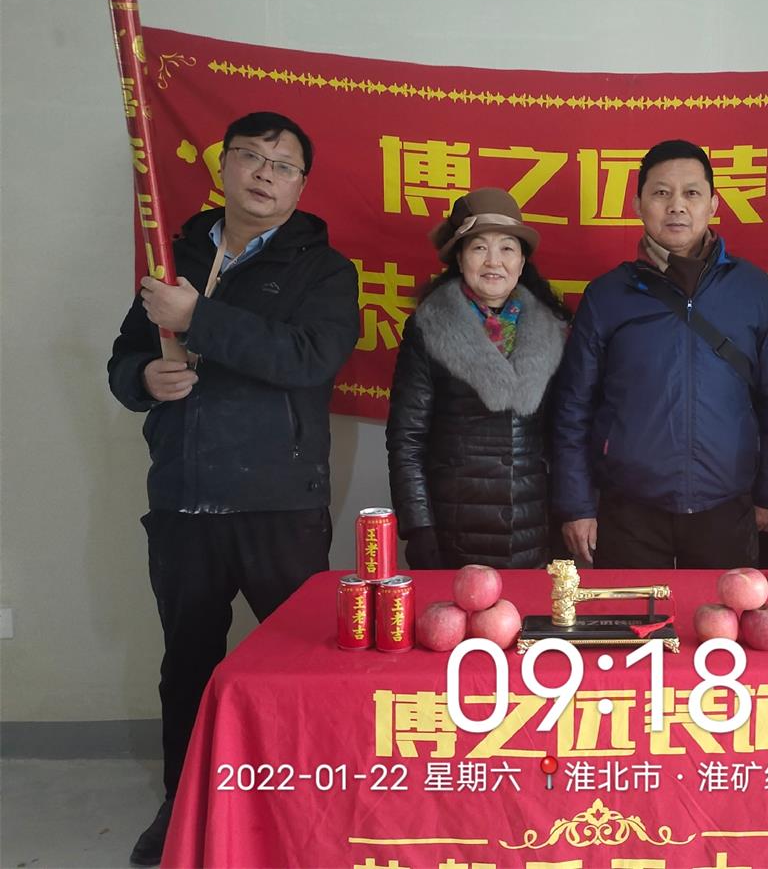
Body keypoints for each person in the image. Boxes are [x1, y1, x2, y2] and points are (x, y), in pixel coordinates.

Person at [108, 112, 359, 865]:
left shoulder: (324, 270)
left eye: (282, 165)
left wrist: (199, 317)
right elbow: (124, 358)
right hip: (184, 496)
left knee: (303, 666)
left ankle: (306, 804)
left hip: (280, 499)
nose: (264, 174)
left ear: (300, 186)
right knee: (188, 663)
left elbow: (309, 358)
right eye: (250, 156)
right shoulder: (175, 256)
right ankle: (182, 804)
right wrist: (144, 379)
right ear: (222, 165)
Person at [553, 139, 768, 569]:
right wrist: (577, 506)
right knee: (633, 615)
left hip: (727, 507)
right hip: (628, 509)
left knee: (724, 615)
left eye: (691, 193)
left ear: (713, 204)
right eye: (661, 193)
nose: (676, 206)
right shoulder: (607, 295)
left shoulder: (754, 290)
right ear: (638, 204)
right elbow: (574, 406)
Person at [386, 188, 571, 569]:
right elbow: (407, 439)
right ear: (459, 258)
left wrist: (567, 515)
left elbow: (566, 437)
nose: (493, 261)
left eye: (507, 248)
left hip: (533, 529)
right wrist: (418, 527)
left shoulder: (555, 330)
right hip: (453, 530)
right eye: (479, 248)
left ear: (522, 261)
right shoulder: (428, 328)